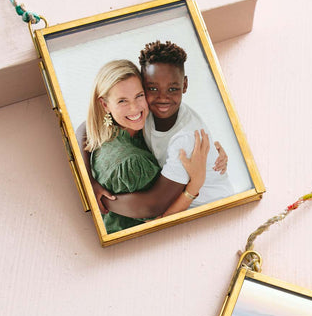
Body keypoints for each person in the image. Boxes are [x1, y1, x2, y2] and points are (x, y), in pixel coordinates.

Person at [95, 40, 234, 220]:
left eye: (172, 89)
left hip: (211, 209)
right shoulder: (145, 112)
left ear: (184, 85)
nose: (162, 98)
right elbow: (85, 127)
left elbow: (152, 207)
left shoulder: (185, 139)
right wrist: (91, 183)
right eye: (152, 88)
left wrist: (102, 201)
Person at [83, 60, 210, 234]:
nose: (135, 108)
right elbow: (160, 218)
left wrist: (89, 180)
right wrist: (196, 183)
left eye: (139, 95)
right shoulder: (133, 163)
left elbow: (83, 127)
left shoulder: (108, 128)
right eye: (122, 101)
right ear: (105, 105)